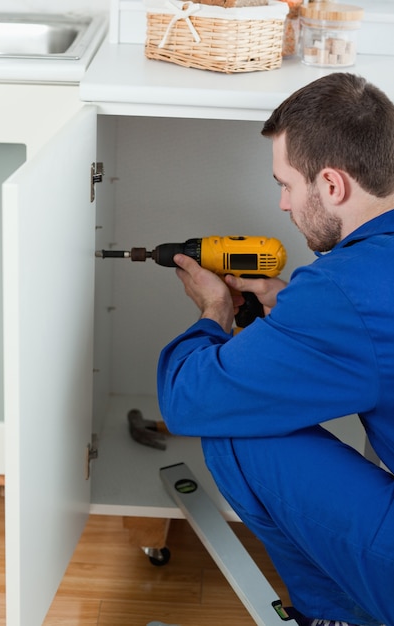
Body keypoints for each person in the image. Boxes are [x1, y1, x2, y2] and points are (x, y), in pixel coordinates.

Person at [157, 73, 394, 626]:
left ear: (332, 185)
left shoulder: (344, 287)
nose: (283, 203)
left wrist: (213, 313)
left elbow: (190, 400)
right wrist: (295, 314)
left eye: (286, 183)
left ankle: (334, 619)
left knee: (235, 424)